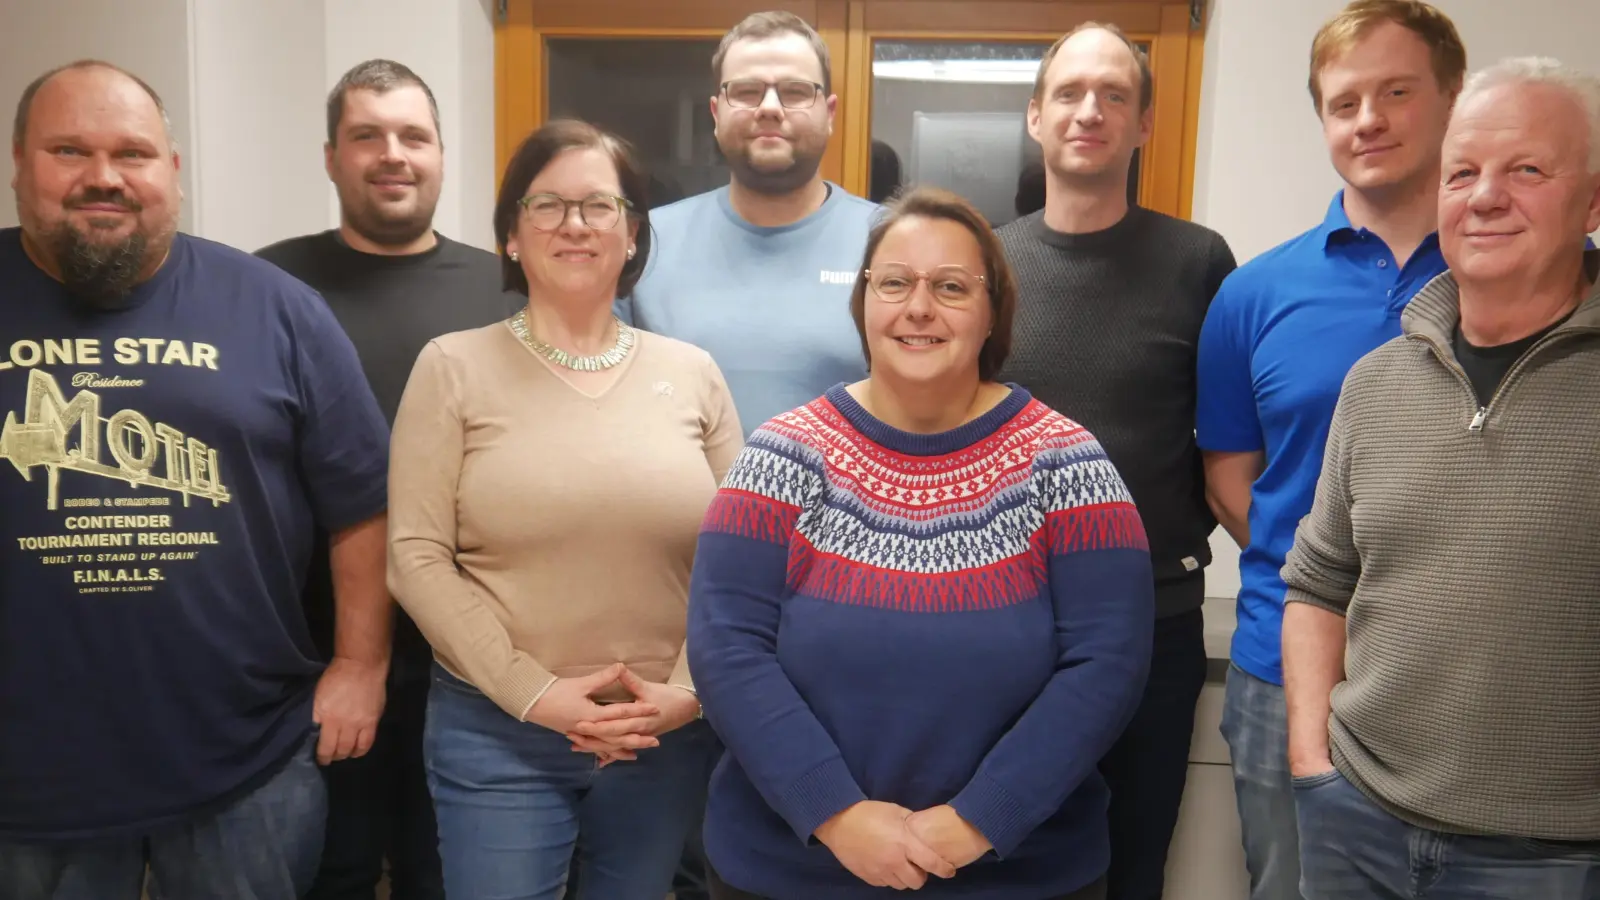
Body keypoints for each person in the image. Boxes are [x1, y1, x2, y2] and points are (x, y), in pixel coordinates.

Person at [687, 185, 1155, 900]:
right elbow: (726, 648)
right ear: (864, 304)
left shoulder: (1069, 464)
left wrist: (981, 819)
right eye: (895, 282)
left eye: (952, 287)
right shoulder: (780, 457)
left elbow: (1108, 663)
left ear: (994, 311)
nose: (919, 307)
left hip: (1017, 877)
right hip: (791, 873)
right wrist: (836, 814)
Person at [0, 60, 390, 899]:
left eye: (132, 153)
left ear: (172, 171)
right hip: (23, 776)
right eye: (69, 150)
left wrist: (361, 665)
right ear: (19, 163)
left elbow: (362, 503)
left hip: (243, 760)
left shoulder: (277, 308)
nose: (104, 176)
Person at [385, 118, 742, 900]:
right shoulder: (451, 368)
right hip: (500, 731)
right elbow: (414, 556)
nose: (574, 224)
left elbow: (741, 559)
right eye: (546, 205)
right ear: (512, 235)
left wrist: (687, 692)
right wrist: (534, 693)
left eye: (598, 205)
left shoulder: (693, 373)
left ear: (632, 233)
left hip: (659, 735)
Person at [1281, 56, 1600, 898]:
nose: (1485, 197)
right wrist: (1313, 764)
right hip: (1357, 824)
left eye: (1526, 170)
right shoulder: (1375, 383)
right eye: (1462, 174)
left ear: (1593, 203)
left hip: (1558, 858)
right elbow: (1318, 583)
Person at [1194, 3, 1463, 896]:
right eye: (1344, 103)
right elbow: (1232, 481)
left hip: (1470, 674)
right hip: (1283, 671)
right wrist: (1331, 586)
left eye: (1397, 93)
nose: (1369, 120)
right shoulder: (1253, 293)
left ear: (1452, 96)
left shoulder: (1524, 267)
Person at [255, 59, 517, 900]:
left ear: (441, 154)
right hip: (312, 648)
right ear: (332, 157)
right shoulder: (265, 286)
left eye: (413, 136)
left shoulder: (506, 290)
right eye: (367, 136)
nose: (392, 154)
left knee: (450, 873)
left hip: (473, 654)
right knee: (331, 869)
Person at [995, 23, 1236, 900]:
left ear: (1144, 125)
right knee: (999, 858)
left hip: (1152, 622)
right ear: (1035, 117)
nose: (1089, 111)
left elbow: (1229, 440)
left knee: (1133, 867)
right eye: (1068, 92)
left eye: (1114, 95)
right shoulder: (990, 263)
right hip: (1006, 619)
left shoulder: (1198, 262)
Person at [621, 10, 879, 436]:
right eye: (746, 91)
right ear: (716, 112)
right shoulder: (645, 242)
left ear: (830, 113)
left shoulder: (888, 242)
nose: (770, 108)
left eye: (795, 92)